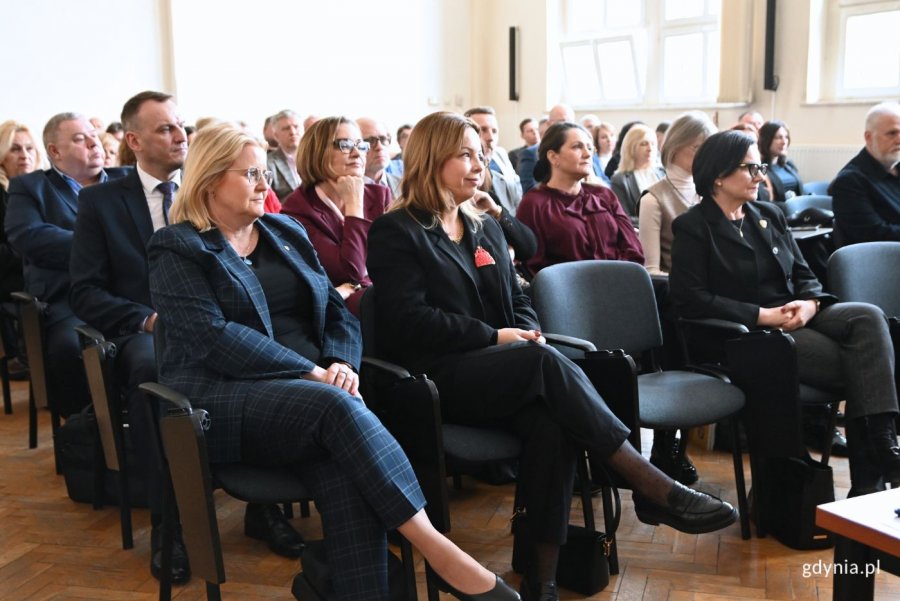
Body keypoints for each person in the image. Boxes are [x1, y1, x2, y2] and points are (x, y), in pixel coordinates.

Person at [367, 111, 736, 600]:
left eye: (480, 155)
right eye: (464, 155)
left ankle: (540, 581)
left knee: (553, 421)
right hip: (436, 378)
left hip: (505, 369)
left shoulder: (483, 225)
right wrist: (497, 338)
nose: (478, 166)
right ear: (430, 158)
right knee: (543, 367)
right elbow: (408, 320)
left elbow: (519, 298)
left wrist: (529, 330)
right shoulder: (398, 230)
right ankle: (646, 481)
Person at [147, 123, 520, 601]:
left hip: (317, 400)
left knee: (344, 469)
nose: (266, 184)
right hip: (221, 399)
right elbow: (214, 338)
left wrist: (341, 364)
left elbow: (334, 311)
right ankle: (435, 547)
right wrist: (312, 373)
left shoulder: (283, 230)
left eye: (265, 172)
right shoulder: (178, 246)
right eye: (251, 174)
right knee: (335, 409)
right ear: (210, 180)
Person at [669, 130, 900, 496]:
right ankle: (872, 474)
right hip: (750, 333)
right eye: (751, 168)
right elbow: (690, 299)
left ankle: (884, 446)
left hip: (798, 313)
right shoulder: (694, 227)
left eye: (760, 166)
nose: (761, 175)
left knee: (869, 317)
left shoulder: (768, 215)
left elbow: (805, 273)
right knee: (867, 364)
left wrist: (810, 304)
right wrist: (761, 315)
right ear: (718, 175)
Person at [5, 113, 128, 418]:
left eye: (93, 135)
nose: (93, 143)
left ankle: (142, 427)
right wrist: (100, 244)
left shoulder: (125, 179)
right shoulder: (30, 188)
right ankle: (88, 433)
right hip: (69, 302)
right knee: (71, 348)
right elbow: (29, 236)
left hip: (129, 295)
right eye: (79, 139)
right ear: (55, 151)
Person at [280, 117, 390, 316]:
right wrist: (354, 206)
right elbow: (351, 273)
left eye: (361, 145)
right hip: (344, 314)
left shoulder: (379, 195)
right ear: (318, 151)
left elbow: (393, 262)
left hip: (384, 300)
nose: (357, 153)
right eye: (345, 145)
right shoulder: (297, 210)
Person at [517, 122, 643, 277]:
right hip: (569, 294)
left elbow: (633, 248)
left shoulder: (604, 195)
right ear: (553, 156)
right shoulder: (534, 204)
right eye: (577, 147)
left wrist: (616, 278)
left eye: (590, 148)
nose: (588, 154)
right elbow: (535, 267)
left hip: (620, 283)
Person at [640, 111, 717, 276]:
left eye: (708, 149)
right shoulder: (652, 200)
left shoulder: (712, 191)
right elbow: (651, 271)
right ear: (675, 146)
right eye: (697, 148)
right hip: (679, 291)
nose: (705, 156)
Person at [0, 121, 42, 371]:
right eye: (15, 149)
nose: (24, 155)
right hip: (12, 278)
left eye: (29, 148)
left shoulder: (44, 187)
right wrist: (33, 252)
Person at [831, 101, 900, 244]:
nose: (898, 139)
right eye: (892, 133)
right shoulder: (849, 181)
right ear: (869, 137)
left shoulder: (896, 168)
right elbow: (875, 235)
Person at [610, 123, 666, 222]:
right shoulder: (619, 180)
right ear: (631, 147)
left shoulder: (664, 173)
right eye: (644, 144)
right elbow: (622, 218)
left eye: (653, 144)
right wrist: (654, 222)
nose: (650, 149)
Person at [357, 117, 401, 198]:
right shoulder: (340, 190)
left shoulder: (405, 186)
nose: (379, 147)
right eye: (370, 141)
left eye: (383, 139)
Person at [758, 120, 803, 201]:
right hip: (779, 210)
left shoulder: (788, 165)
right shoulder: (761, 169)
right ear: (766, 140)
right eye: (778, 137)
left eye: (786, 137)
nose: (784, 142)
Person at [265, 109, 302, 200]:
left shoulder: (315, 159)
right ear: (276, 136)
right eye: (286, 128)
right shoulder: (268, 164)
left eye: (296, 127)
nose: (292, 132)